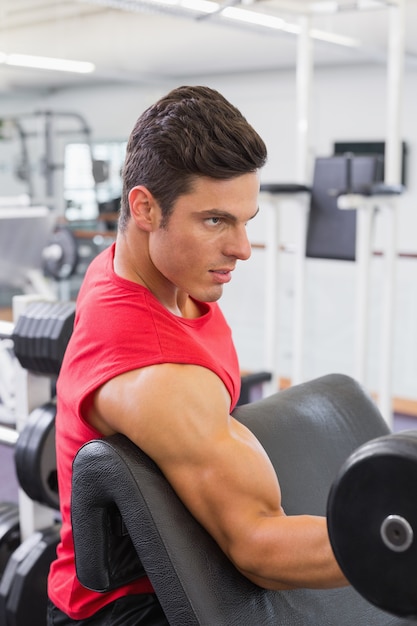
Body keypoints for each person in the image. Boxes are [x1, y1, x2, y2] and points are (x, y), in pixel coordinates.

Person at [47, 85, 347, 625]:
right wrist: (395, 538)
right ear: (144, 208)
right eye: (215, 221)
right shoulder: (157, 379)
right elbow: (258, 545)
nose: (241, 248)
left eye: (245, 219)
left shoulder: (142, 267)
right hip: (134, 607)